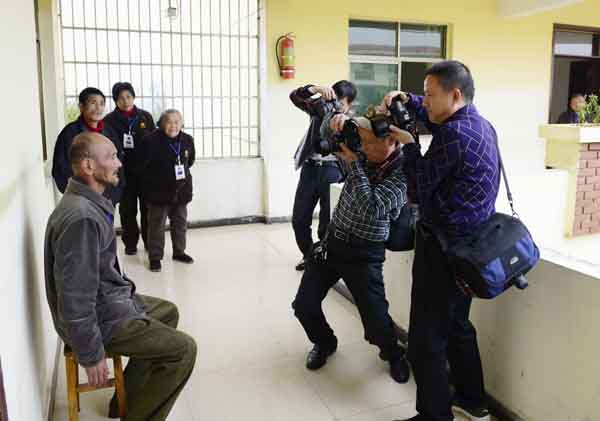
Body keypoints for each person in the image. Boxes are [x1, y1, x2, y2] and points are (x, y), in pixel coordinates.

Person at [44, 132, 197, 421]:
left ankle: (124, 401)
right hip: (101, 318)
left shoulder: (86, 202)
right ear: (88, 166)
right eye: (112, 157)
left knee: (167, 311)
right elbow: (75, 297)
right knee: (184, 350)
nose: (119, 163)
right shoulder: (82, 217)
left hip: (108, 301)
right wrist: (90, 353)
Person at [386, 60, 498, 421]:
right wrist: (409, 100)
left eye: (430, 95)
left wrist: (408, 145)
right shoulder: (482, 125)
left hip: (442, 248)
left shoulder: (452, 135)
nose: (426, 101)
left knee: (425, 339)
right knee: (457, 325)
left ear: (455, 94)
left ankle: (435, 416)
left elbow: (418, 188)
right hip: (470, 248)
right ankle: (473, 401)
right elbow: (434, 115)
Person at [291, 111, 410, 384]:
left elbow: (371, 205)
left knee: (376, 323)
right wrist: (337, 118)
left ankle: (393, 354)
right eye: (362, 141)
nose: (363, 147)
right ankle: (325, 342)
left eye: (369, 143)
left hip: (365, 255)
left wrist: (355, 165)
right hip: (332, 244)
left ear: (392, 141)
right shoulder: (361, 156)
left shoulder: (403, 175)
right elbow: (327, 134)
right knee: (304, 306)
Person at [289, 81, 357, 271]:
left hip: (333, 170)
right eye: (334, 101)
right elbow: (295, 97)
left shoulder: (352, 123)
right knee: (299, 219)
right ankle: (309, 255)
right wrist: (316, 89)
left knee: (327, 222)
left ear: (349, 105)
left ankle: (323, 261)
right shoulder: (319, 109)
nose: (335, 107)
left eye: (340, 104)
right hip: (310, 168)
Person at [104, 82, 156, 255]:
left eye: (128, 96)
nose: (125, 101)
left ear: (133, 97)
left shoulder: (145, 117)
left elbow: (155, 142)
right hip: (123, 172)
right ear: (115, 100)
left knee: (148, 209)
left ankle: (150, 242)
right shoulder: (109, 121)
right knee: (127, 210)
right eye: (120, 98)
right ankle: (130, 243)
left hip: (146, 172)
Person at [141, 109, 195, 272]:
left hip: (181, 190)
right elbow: (144, 165)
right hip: (158, 191)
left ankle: (179, 252)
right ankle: (155, 257)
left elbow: (190, 161)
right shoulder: (150, 140)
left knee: (180, 223)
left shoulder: (187, 140)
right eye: (169, 122)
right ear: (162, 124)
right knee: (156, 226)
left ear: (181, 124)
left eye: (177, 122)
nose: (173, 126)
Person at [52, 87, 124, 204]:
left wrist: (114, 195)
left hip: (107, 198)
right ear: (81, 106)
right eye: (93, 103)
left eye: (101, 104)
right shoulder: (70, 133)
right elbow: (60, 168)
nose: (98, 108)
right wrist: (78, 194)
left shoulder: (109, 132)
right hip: (81, 199)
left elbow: (118, 164)